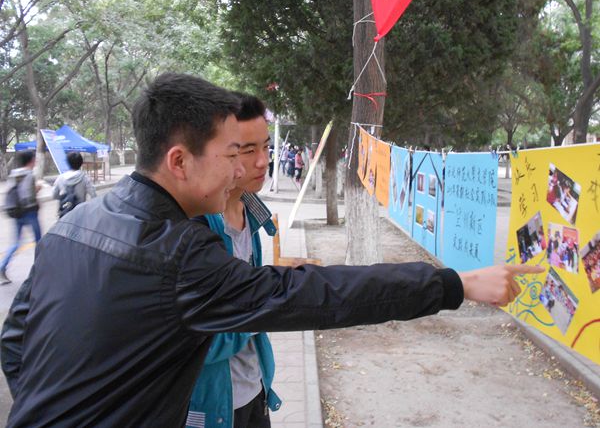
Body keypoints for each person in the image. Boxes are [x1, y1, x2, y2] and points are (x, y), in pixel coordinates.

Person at [1, 73, 541, 427]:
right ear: (179, 161)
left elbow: (15, 338)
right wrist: (454, 284)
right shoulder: (181, 253)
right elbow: (314, 295)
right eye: (230, 155)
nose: (241, 170)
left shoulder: (75, 224)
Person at [187, 93, 280, 428]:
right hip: (214, 407)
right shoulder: (195, 228)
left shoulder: (251, 212)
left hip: (256, 390)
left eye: (266, 147)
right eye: (247, 150)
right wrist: (269, 304)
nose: (262, 161)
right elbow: (199, 342)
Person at [0, 151, 41, 285]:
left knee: (16, 243)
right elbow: (28, 196)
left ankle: (2, 268)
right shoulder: (30, 175)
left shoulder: (13, 174)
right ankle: (42, 270)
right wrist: (37, 190)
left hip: (16, 212)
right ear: (31, 160)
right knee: (39, 241)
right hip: (30, 212)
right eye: (34, 159)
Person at [52, 151, 97, 217]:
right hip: (80, 212)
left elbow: (54, 195)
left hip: (65, 213)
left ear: (68, 163)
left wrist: (64, 198)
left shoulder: (60, 178)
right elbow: (93, 195)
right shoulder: (85, 178)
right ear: (81, 163)